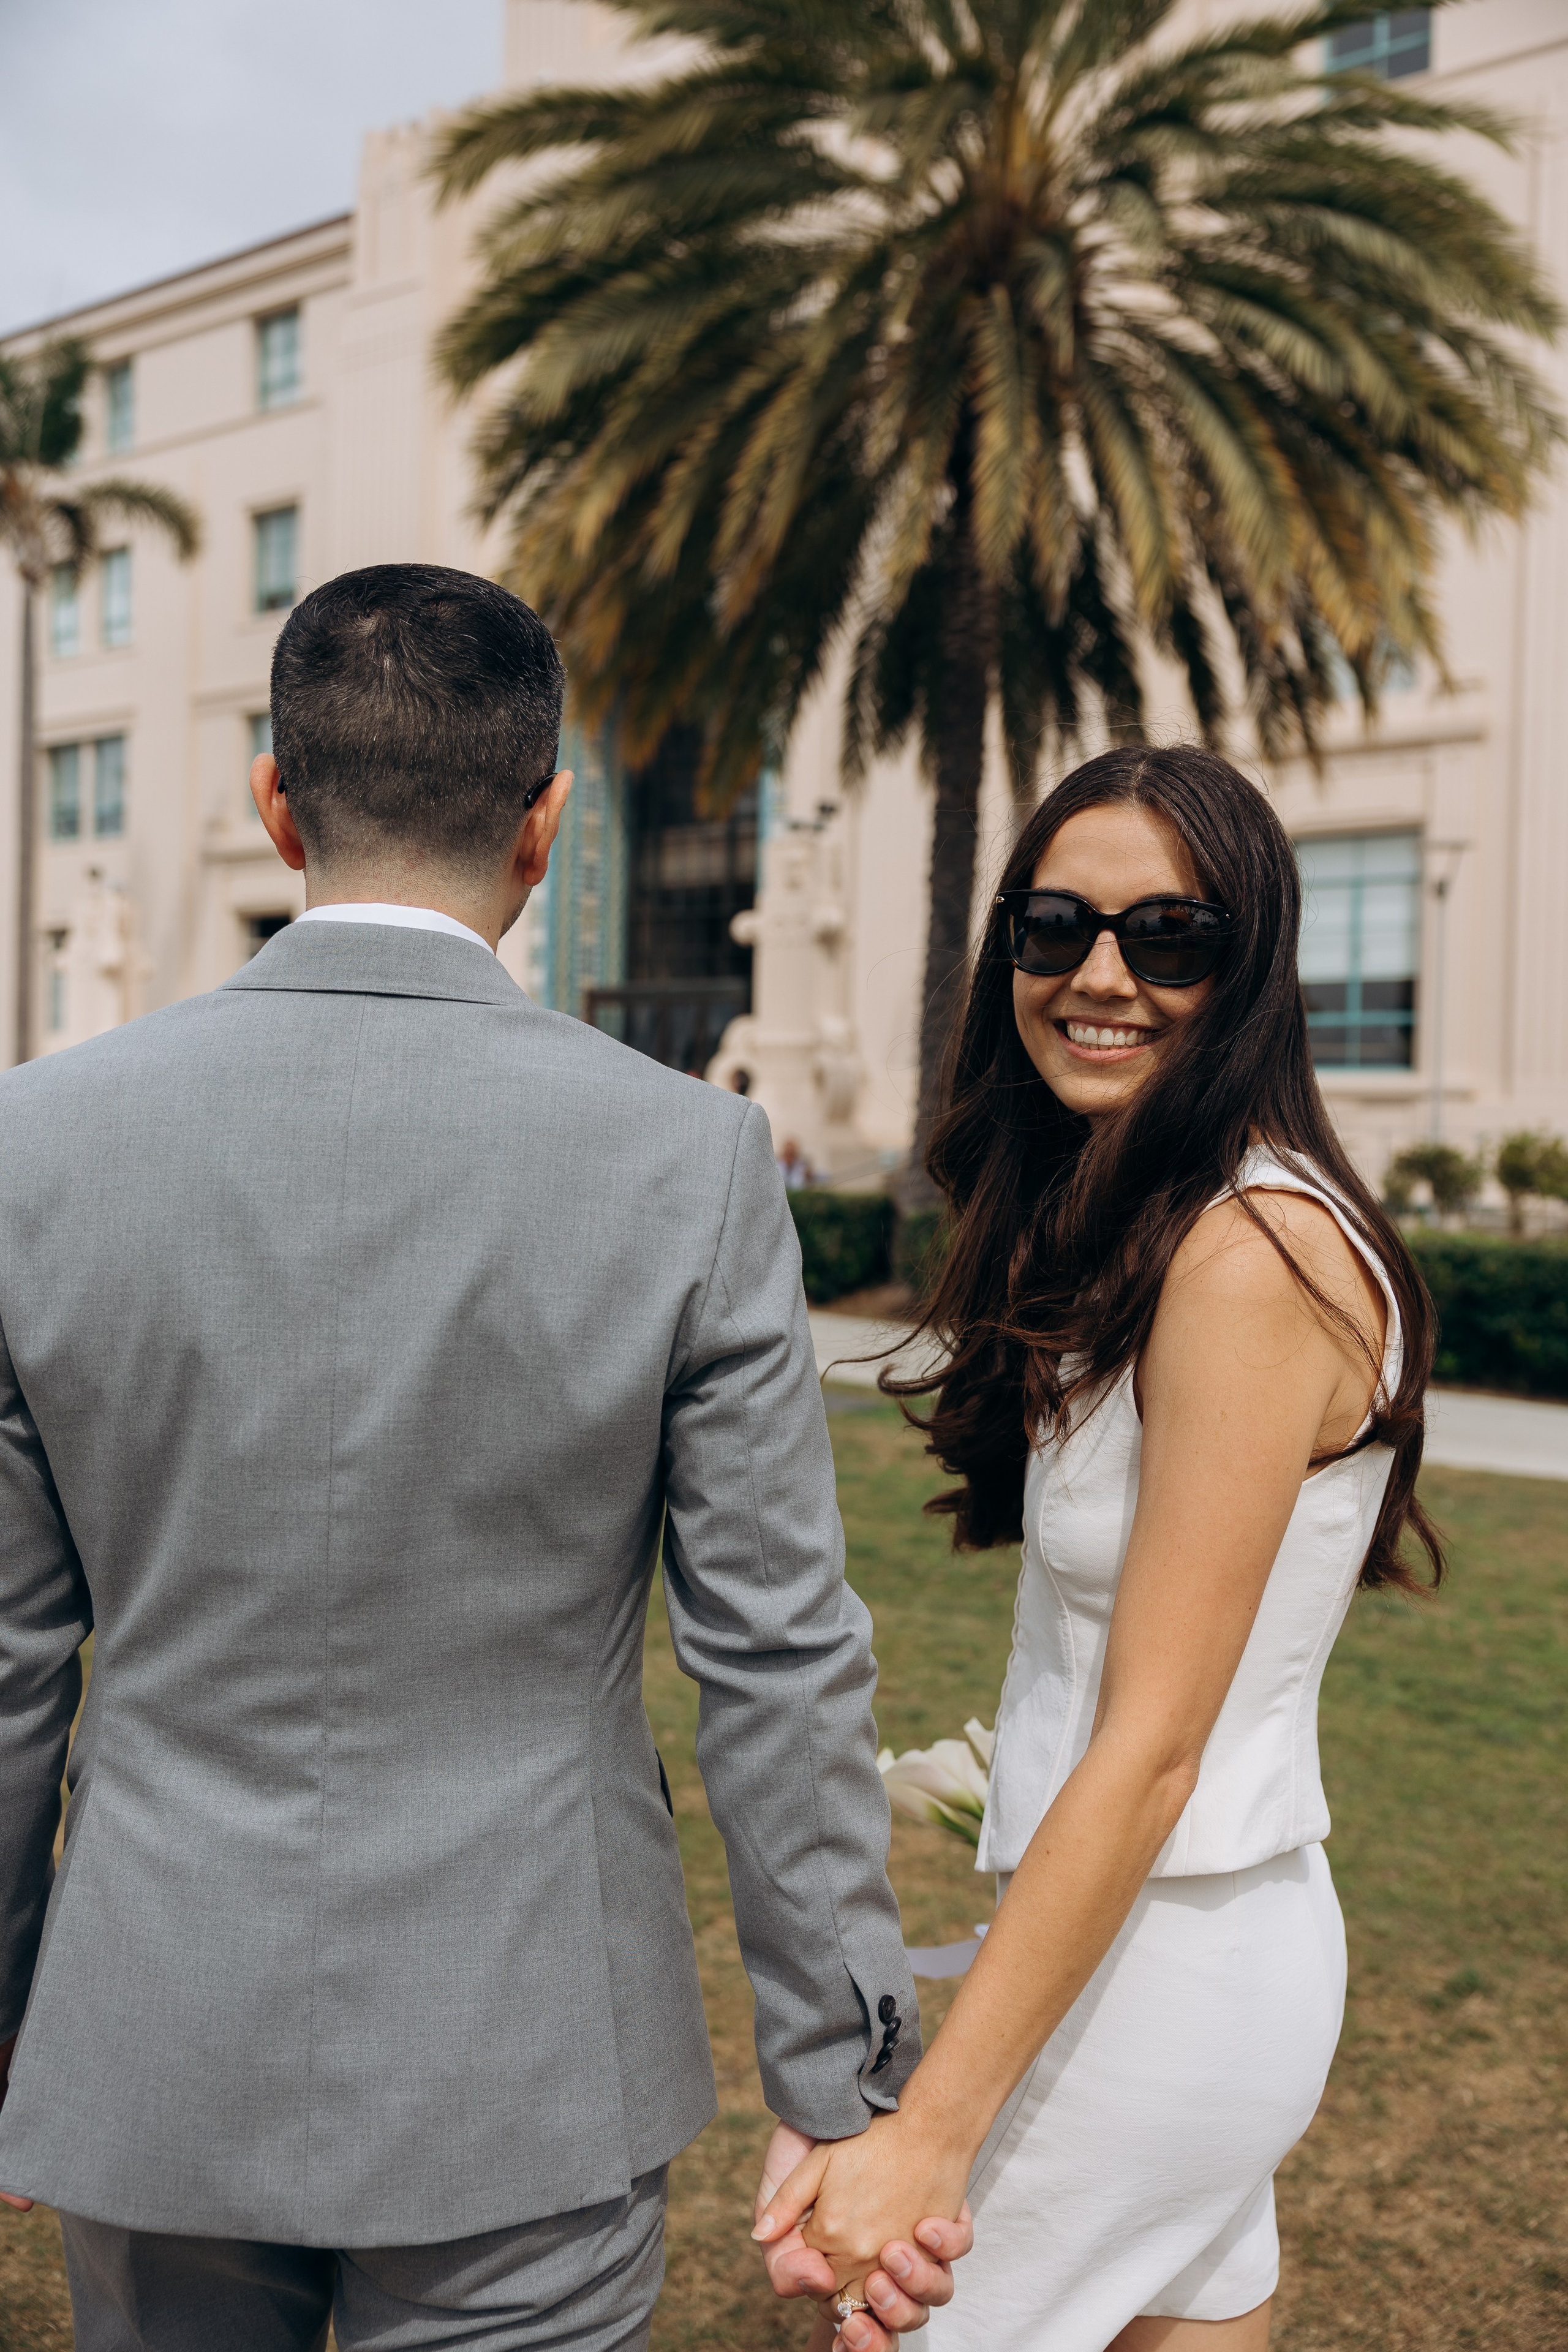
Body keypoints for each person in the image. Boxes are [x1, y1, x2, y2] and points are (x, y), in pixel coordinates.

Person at [0, 564, 965, 2351]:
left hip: (155, 2032)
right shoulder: (689, 1160)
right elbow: (774, 1658)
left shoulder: (33, 1145)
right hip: (533, 2057)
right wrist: (845, 2080)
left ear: (276, 803)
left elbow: (3, 1667)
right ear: (544, 821)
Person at [754, 746, 1441, 2351]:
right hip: (1176, 1951)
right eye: (1055, 927)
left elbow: (1152, 1750)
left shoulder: (1249, 1255)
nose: (1102, 976)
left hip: (1155, 1987)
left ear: (1252, 964)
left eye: (1169, 936)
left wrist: (932, 2131)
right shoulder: (1168, 1222)